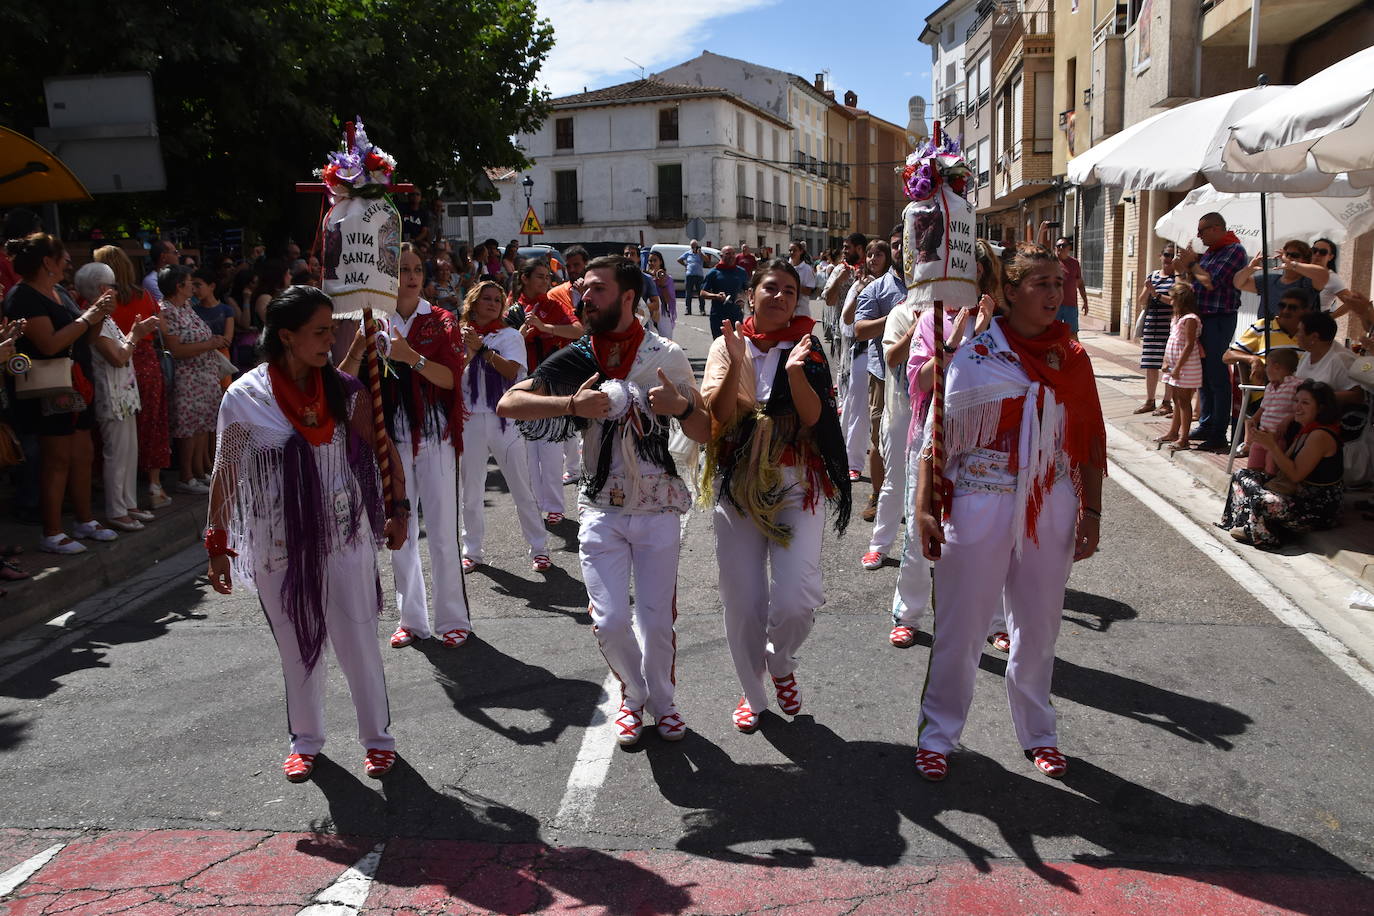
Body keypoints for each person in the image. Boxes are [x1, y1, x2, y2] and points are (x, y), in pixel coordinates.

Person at [912, 244, 1105, 782]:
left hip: (1052, 500)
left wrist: (1092, 512)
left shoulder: (1075, 358)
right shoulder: (975, 355)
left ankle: (1039, 732)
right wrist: (924, 508)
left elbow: (1088, 439)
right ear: (1011, 292)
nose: (1053, 293)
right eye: (1040, 283)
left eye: (1059, 283)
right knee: (962, 624)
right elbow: (938, 434)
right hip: (980, 497)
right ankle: (938, 734)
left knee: (1039, 627)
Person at [498, 256, 709, 746]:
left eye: (595, 290)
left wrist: (679, 407)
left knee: (657, 622)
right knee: (610, 621)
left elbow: (704, 430)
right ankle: (633, 696)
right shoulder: (579, 355)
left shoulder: (666, 354)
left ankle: (665, 701)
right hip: (601, 509)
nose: (583, 298)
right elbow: (509, 402)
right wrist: (571, 404)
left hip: (657, 508)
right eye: (583, 290)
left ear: (628, 297)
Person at [206, 285, 409, 783]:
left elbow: (383, 450)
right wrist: (216, 542)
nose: (332, 339)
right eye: (321, 331)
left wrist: (398, 506)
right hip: (277, 540)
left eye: (333, 329)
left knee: (357, 639)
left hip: (345, 535)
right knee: (297, 645)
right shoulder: (245, 396)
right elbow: (225, 470)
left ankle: (378, 739)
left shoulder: (345, 389)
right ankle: (306, 740)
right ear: (287, 336)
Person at [700, 260, 851, 733]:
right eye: (772, 288)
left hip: (796, 481)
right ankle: (753, 692)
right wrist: (735, 360)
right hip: (740, 484)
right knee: (742, 599)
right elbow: (717, 417)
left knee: (797, 598)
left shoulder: (808, 343)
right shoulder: (728, 344)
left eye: (790, 290)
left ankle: (780, 660)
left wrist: (798, 373)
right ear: (751, 294)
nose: (782, 297)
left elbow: (815, 418)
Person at [341, 244, 474, 650]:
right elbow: (343, 380)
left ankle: (453, 617)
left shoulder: (441, 320)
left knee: (441, 531)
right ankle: (411, 618)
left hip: (434, 435)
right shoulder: (368, 321)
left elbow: (451, 379)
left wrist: (408, 356)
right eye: (401, 269)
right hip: (389, 439)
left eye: (417, 269)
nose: (411, 276)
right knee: (399, 528)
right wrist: (361, 347)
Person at [888, 241, 1000, 649]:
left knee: (988, 530)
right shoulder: (929, 321)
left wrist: (986, 330)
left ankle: (994, 621)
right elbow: (917, 381)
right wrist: (954, 341)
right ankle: (908, 612)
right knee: (920, 524)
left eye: (972, 271)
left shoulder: (1000, 323)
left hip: (986, 440)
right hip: (933, 433)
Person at [5, 234, 121, 553]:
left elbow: (84, 334)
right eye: (63, 257)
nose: (69, 262)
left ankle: (84, 520)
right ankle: (52, 531)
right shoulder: (22, 297)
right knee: (56, 459)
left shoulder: (57, 292)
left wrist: (101, 315)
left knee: (83, 453)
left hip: (75, 383)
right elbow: (50, 344)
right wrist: (89, 316)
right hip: (46, 387)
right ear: (48, 262)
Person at [456, 280, 549, 571]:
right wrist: (469, 349)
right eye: (486, 298)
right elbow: (453, 374)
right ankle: (472, 549)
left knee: (521, 486)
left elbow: (513, 372)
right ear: (473, 302)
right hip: (469, 419)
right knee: (470, 490)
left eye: (497, 299)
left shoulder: (509, 335)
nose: (493, 303)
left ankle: (539, 548)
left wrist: (482, 350)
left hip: (503, 419)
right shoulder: (457, 334)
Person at [76, 263, 159, 533]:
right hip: (111, 396)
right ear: (102, 289)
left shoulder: (104, 318)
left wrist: (134, 333)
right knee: (116, 453)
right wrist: (136, 334)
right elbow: (118, 357)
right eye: (111, 286)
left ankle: (128, 503)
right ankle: (117, 510)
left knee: (128, 452)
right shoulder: (94, 319)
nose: (115, 291)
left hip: (124, 394)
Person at [94, 245, 174, 509]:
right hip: (145, 361)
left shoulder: (99, 302)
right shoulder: (145, 296)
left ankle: (120, 497)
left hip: (114, 365)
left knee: (119, 438)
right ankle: (153, 486)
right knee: (152, 425)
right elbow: (161, 325)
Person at [1221, 380, 1343, 547]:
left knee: (1261, 499)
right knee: (1242, 475)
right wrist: (1268, 443)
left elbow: (1295, 474)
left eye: (1305, 403)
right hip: (1294, 494)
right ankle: (1246, 524)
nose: (1297, 407)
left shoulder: (1320, 435)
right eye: (1296, 401)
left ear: (1321, 408)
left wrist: (1272, 446)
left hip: (1316, 509)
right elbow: (1281, 470)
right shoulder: (1305, 430)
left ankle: (1262, 534)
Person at [512, 258, 584, 523]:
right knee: (527, 450)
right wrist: (519, 333)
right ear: (524, 278)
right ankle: (533, 503)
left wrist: (546, 328)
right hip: (521, 384)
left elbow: (578, 330)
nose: (546, 282)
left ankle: (554, 506)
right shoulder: (511, 307)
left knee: (551, 447)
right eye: (540, 277)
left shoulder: (553, 305)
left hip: (552, 382)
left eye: (548, 277)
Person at [1175, 212, 1249, 451]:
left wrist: (1192, 263)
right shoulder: (1211, 252)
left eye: (1202, 230)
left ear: (1217, 229)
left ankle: (1218, 432)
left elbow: (1210, 282)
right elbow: (1196, 282)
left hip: (1219, 319)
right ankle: (1206, 423)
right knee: (1203, 375)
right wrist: (1184, 269)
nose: (1199, 235)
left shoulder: (1234, 250)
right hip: (1203, 318)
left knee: (1217, 375)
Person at [853, 240, 907, 524]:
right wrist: (898, 316)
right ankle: (877, 494)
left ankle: (911, 499)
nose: (902, 249)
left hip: (919, 376)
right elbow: (859, 330)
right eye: (897, 244)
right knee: (879, 439)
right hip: (884, 376)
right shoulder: (876, 288)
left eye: (908, 242)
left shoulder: (929, 285)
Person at [159, 265, 226, 494]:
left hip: (204, 374)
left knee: (203, 424)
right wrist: (210, 344)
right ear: (179, 286)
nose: (192, 286)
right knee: (188, 428)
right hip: (187, 376)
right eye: (189, 282)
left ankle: (199, 472)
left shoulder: (187, 306)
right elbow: (176, 349)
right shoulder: (166, 310)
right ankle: (186, 476)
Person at [836, 244, 881, 480]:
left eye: (879, 254)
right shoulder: (860, 284)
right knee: (857, 408)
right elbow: (847, 320)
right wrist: (861, 289)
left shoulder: (898, 284)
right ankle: (852, 461)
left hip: (889, 354)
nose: (873, 258)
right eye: (870, 254)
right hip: (863, 352)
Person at [1155, 282, 1203, 452]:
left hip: (1187, 367)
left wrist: (1178, 367)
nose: (1171, 301)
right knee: (1176, 400)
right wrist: (1167, 361)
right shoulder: (1176, 317)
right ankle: (1173, 432)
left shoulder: (1190, 319)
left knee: (1184, 401)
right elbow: (1172, 341)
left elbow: (1189, 345)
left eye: (1173, 298)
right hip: (1174, 365)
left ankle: (1184, 438)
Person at [1233, 240, 1326, 321]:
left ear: (1305, 261)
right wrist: (1250, 269)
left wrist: (1293, 265)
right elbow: (1238, 283)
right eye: (1287, 254)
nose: (1288, 258)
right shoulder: (1270, 279)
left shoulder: (1308, 283)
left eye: (1294, 255)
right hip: (1265, 335)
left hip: (1293, 337)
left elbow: (1323, 274)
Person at [1134, 245, 1176, 416]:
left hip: (1169, 326)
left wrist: (1156, 294)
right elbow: (1142, 300)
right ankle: (1150, 401)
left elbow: (1175, 302)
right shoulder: (1152, 275)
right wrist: (1148, 290)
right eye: (1166, 255)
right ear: (1160, 255)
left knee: (1168, 366)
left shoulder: (1177, 279)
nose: (1168, 259)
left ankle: (1167, 402)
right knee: (1151, 365)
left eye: (1172, 256)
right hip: (1152, 325)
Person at [1248, 348, 1302, 473]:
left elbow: (1300, 408)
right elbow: (1264, 407)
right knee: (1253, 466)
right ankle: (1253, 486)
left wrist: (1288, 419)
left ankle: (1268, 489)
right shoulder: (1270, 387)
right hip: (1262, 434)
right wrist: (1254, 419)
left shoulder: (1296, 385)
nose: (1266, 369)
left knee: (1271, 469)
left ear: (1276, 367)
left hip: (1277, 438)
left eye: (1267, 365)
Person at [701, 246, 750, 340]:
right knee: (720, 344)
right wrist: (716, 296)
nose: (731, 256)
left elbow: (747, 290)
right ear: (721, 255)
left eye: (733, 254)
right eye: (727, 254)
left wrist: (742, 299)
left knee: (737, 344)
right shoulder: (714, 273)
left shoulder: (741, 272)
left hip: (736, 315)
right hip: (718, 316)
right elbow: (702, 293)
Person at [1052, 236, 1088, 336]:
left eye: (1063, 245)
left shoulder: (1074, 263)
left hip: (1071, 306)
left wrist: (1085, 301)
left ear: (1069, 248)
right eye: (1058, 246)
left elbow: (1080, 283)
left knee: (1072, 334)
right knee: (1054, 333)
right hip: (1055, 305)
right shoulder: (1051, 262)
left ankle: (1074, 352)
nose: (1060, 248)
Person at [1310, 238, 1347, 315]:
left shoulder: (1332, 278)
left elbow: (1351, 303)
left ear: (1330, 257)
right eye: (1314, 250)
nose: (1317, 254)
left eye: (1323, 252)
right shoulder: (1302, 272)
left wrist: (1329, 318)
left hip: (1316, 324)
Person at [646, 250, 676, 339]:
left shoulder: (667, 279)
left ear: (661, 262)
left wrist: (661, 283)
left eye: (655, 260)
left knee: (666, 339)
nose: (652, 263)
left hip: (663, 312)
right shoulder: (646, 277)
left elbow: (668, 300)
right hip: (649, 312)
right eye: (650, 261)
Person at [678, 240, 710, 316]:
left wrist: (700, 254)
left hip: (699, 276)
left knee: (700, 293)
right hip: (689, 275)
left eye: (695, 246)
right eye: (692, 246)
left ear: (697, 246)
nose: (693, 248)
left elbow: (707, 260)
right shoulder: (688, 253)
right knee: (688, 293)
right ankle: (688, 309)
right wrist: (685, 265)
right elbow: (679, 259)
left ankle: (702, 309)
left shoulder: (701, 253)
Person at [788, 241, 817, 318]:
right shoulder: (786, 267)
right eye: (790, 250)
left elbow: (808, 292)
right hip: (787, 311)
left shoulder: (807, 269)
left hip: (801, 311)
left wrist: (793, 286)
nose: (791, 252)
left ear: (801, 251)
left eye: (794, 250)